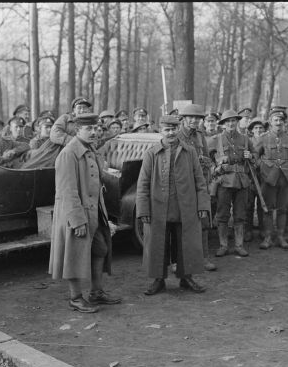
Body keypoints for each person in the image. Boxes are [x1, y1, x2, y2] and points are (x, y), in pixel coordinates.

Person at [49, 113, 120, 312]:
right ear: (77, 130)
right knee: (74, 255)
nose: (94, 132)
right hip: (76, 215)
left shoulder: (90, 150)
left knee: (101, 249)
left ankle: (96, 293)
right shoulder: (68, 154)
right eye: (88, 129)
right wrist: (77, 221)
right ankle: (75, 297)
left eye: (96, 128)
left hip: (94, 212)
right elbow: (67, 191)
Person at [136, 115, 210, 295]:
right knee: (157, 244)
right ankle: (158, 280)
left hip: (185, 207)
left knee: (187, 244)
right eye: (167, 129)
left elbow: (200, 181)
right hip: (158, 209)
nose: (171, 133)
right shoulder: (151, 153)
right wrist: (143, 209)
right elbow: (142, 184)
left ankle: (186, 278)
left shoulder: (190, 151)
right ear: (160, 131)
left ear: (179, 129)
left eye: (174, 129)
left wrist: (202, 206)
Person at [176, 103, 217, 272]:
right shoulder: (177, 136)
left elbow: (207, 157)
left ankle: (203, 257)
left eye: (198, 118)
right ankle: (178, 259)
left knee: (204, 220)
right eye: (191, 117)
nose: (194, 121)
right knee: (181, 222)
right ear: (184, 119)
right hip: (183, 184)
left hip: (200, 183)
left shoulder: (200, 136)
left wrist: (208, 165)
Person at [211, 109, 255, 257]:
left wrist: (251, 156)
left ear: (237, 122)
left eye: (233, 121)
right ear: (223, 124)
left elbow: (255, 157)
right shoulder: (216, 139)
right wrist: (216, 166)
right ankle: (223, 245)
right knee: (222, 214)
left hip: (242, 181)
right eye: (228, 121)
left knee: (240, 214)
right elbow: (206, 160)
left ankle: (239, 245)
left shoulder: (245, 139)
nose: (231, 123)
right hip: (224, 181)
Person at [257, 107, 288, 250]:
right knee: (268, 209)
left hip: (286, 179)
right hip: (269, 179)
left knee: (283, 209)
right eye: (275, 120)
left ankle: (281, 236)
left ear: (284, 122)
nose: (278, 122)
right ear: (270, 122)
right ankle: (268, 237)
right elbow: (255, 157)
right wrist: (264, 168)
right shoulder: (263, 138)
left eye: (281, 120)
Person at [245, 117, 267, 242]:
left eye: (261, 128)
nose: (258, 130)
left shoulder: (268, 140)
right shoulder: (247, 141)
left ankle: (262, 228)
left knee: (262, 203)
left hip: (263, 175)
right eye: (256, 128)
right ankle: (247, 229)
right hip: (249, 176)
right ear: (251, 130)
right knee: (248, 204)